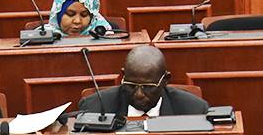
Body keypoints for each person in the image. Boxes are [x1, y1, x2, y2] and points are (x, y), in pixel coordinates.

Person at [78, 46, 209, 117]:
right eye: (131, 85)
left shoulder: (193, 110)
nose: (139, 94)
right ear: (123, 76)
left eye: (148, 87)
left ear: (165, 80)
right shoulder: (93, 108)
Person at [47, 0, 112, 37]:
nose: (77, 21)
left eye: (84, 15)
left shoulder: (104, 33)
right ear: (58, 13)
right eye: (70, 14)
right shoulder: (43, 36)